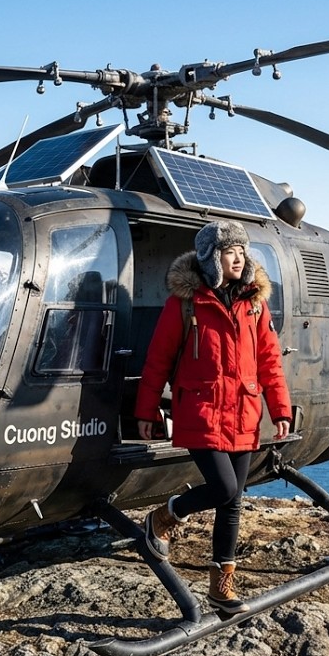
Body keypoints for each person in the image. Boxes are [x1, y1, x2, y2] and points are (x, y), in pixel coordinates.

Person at [134, 219, 292, 615]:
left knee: (233, 502)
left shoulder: (255, 303)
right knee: (223, 489)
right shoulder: (185, 303)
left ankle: (222, 586)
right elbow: (158, 359)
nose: (239, 257)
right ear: (211, 257)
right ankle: (164, 517)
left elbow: (269, 361)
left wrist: (280, 409)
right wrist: (146, 407)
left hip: (244, 412)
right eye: (229, 251)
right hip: (202, 411)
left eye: (242, 250)